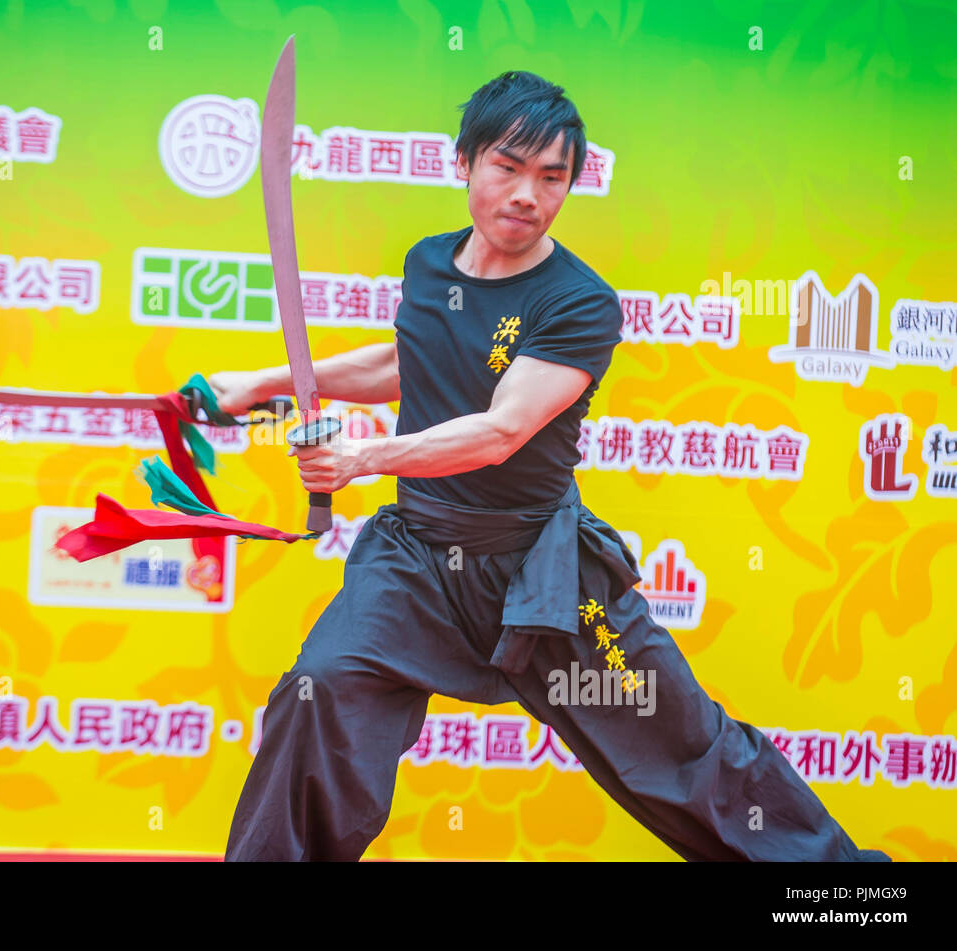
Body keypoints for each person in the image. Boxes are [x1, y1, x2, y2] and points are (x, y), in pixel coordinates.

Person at [207, 71, 889, 862]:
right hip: (416, 563)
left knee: (683, 751)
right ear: (464, 163)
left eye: (552, 177)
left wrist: (361, 457)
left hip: (542, 574)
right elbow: (412, 361)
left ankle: (843, 893)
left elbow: (502, 430)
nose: (528, 193)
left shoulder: (579, 302)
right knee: (316, 694)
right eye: (508, 166)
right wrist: (263, 384)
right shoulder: (429, 265)